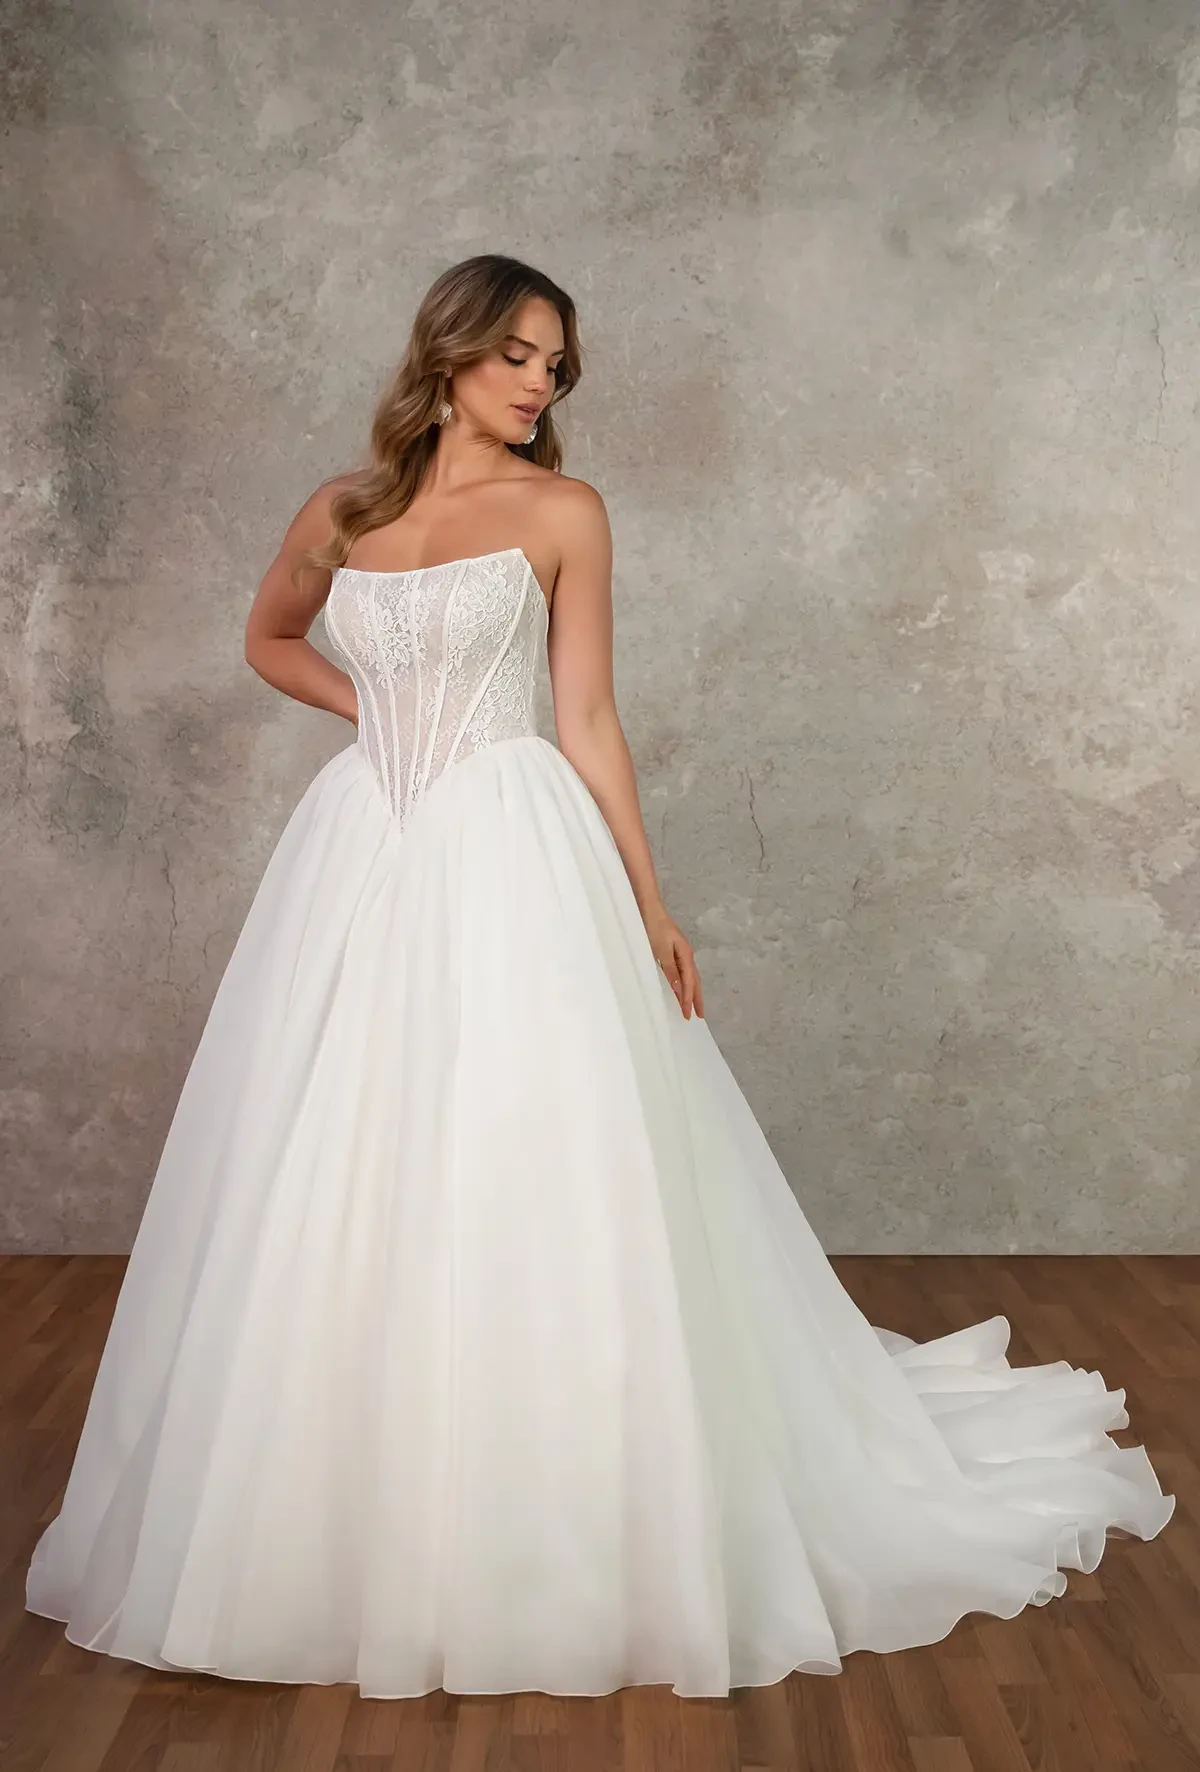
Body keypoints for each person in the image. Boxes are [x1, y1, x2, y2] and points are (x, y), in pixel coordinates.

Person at [25, 253, 1174, 1699]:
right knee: (335, 1154)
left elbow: (587, 714)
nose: (536, 383)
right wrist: (367, 705)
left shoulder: (567, 512)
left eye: (555, 365)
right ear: (446, 352)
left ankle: (556, 1508)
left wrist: (649, 896)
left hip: (514, 848)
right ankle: (348, 1500)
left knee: (531, 1151)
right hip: (365, 849)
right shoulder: (345, 510)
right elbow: (268, 637)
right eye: (514, 353)